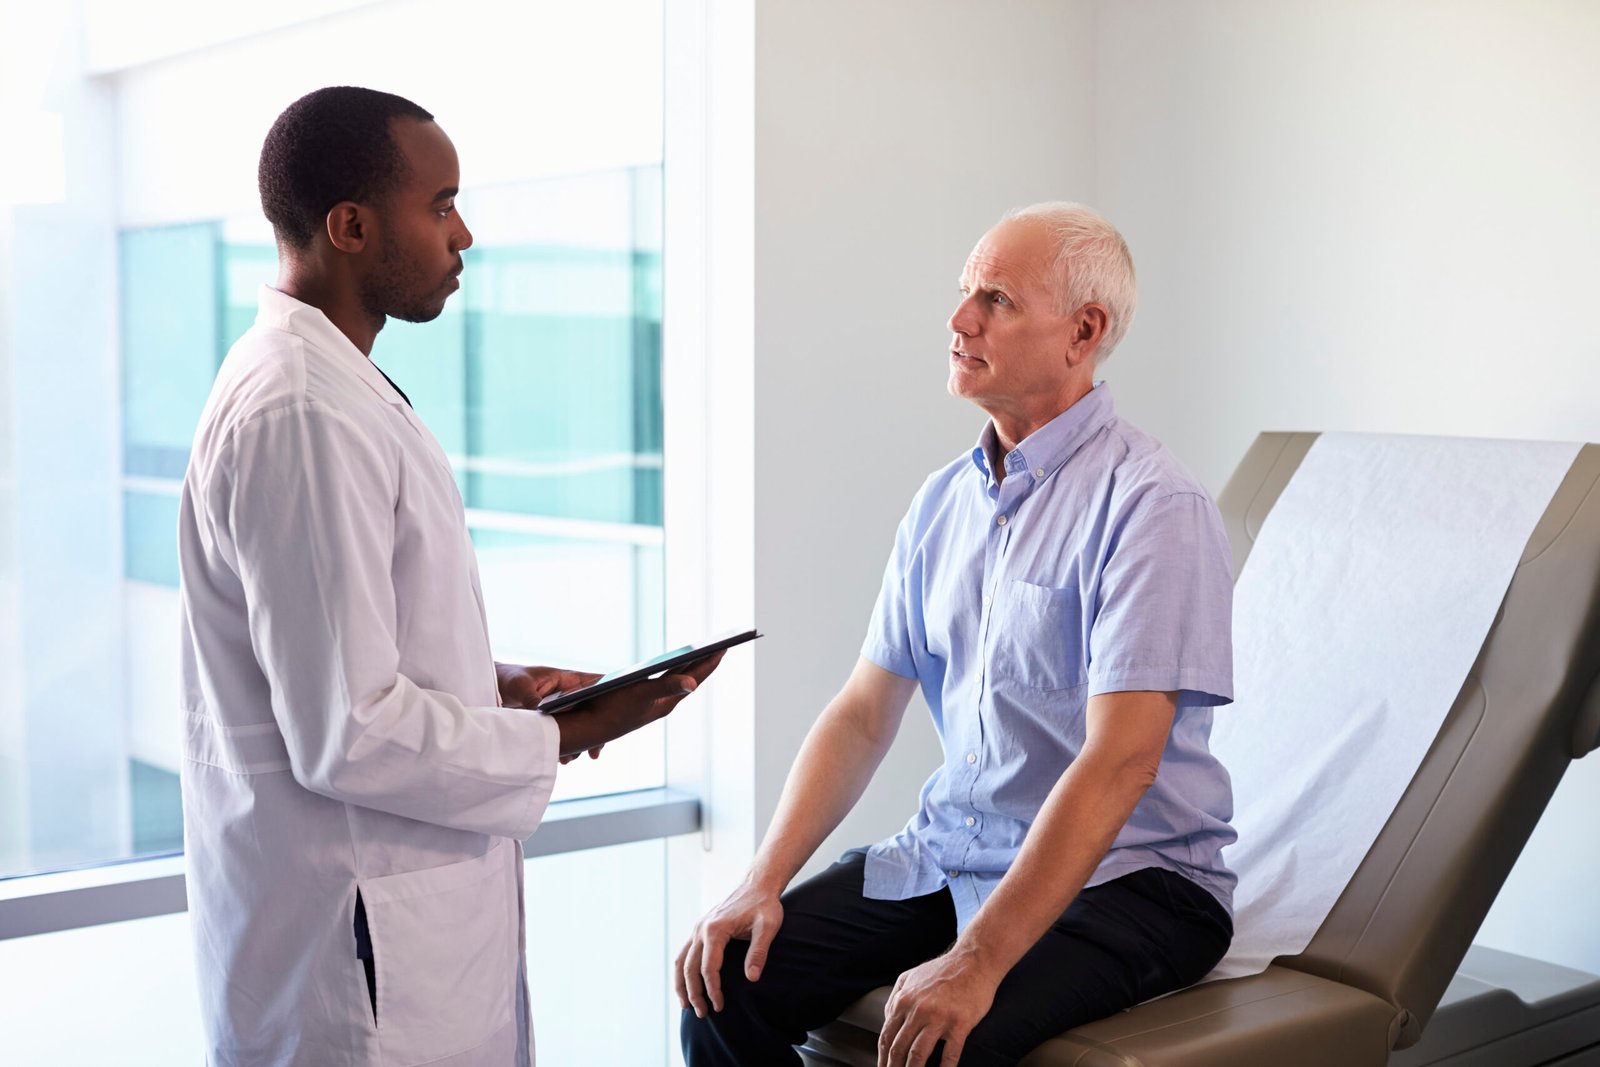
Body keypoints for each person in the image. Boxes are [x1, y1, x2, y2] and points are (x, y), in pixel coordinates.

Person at [178, 86, 719, 1067]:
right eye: (439, 205)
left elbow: (335, 647)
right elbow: (347, 730)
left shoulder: (329, 387)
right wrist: (557, 734)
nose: (463, 233)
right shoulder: (303, 412)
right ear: (349, 226)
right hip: (358, 960)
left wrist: (492, 681)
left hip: (394, 931)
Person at [676, 203, 1236, 1067]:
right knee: (723, 985)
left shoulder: (1152, 505)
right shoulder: (943, 502)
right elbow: (864, 712)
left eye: (997, 300)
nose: (959, 319)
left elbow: (1122, 758)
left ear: (1082, 332)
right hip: (957, 851)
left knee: (948, 1043)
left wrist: (976, 961)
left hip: (1133, 881)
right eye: (964, 293)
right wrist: (762, 880)